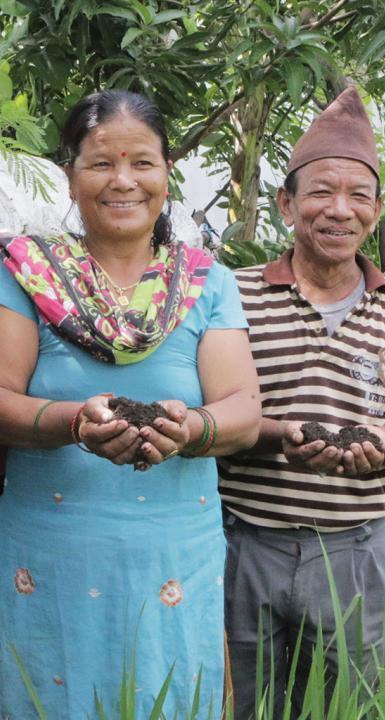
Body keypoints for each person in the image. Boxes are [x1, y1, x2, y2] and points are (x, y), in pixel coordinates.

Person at [0, 89, 261, 719]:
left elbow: (243, 409)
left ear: (166, 176)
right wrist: (72, 423)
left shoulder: (206, 281)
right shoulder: (25, 276)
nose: (123, 180)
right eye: (100, 163)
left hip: (174, 551)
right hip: (51, 549)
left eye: (142, 162)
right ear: (71, 177)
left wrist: (191, 427)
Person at [218, 87, 385, 718]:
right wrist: (280, 433)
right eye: (321, 192)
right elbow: (212, 408)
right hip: (243, 541)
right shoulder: (231, 294)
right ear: (286, 203)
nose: (340, 210)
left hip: (358, 548)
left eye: (359, 196)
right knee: (240, 701)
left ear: (377, 210)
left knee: (345, 705)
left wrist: (379, 445)